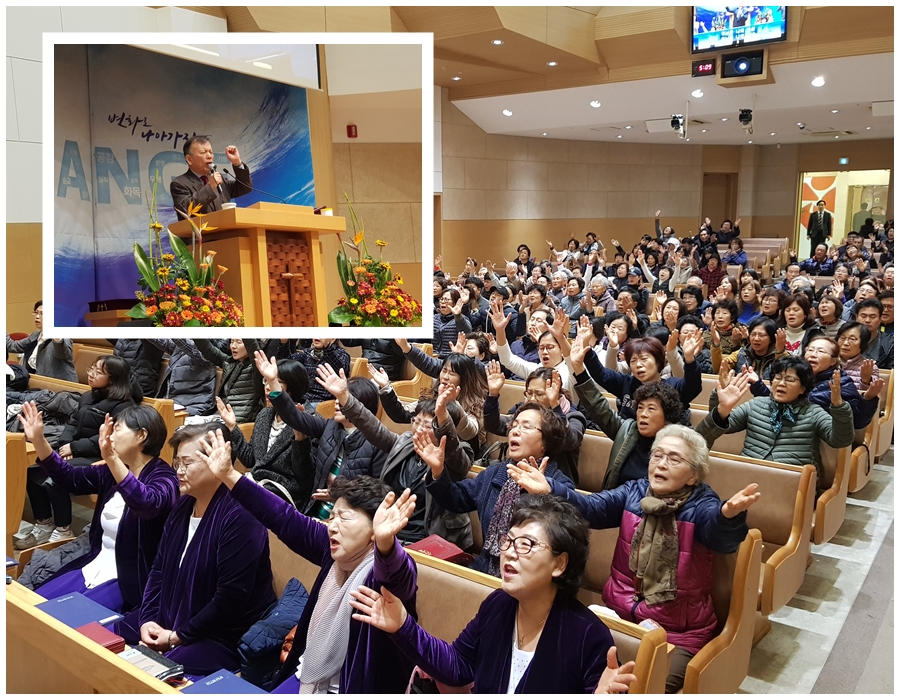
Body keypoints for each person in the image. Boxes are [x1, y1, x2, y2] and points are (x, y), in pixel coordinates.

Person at [507, 424, 758, 693]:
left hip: (676, 634)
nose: (661, 464)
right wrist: (551, 489)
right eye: (657, 455)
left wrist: (727, 517)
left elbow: (720, 536)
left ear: (693, 475)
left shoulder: (702, 505)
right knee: (561, 670)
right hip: (618, 617)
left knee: (640, 689)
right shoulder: (635, 492)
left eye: (674, 459)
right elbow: (592, 508)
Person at [200, 427, 420, 695]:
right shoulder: (332, 551)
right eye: (332, 516)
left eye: (345, 518)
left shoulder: (388, 570)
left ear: (376, 527)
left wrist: (386, 543)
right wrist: (229, 475)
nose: (332, 526)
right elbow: (284, 518)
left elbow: (397, 573)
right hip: (308, 676)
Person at [349, 494, 637, 694]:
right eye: (508, 541)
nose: (509, 553)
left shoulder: (588, 636)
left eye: (525, 544)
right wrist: (403, 625)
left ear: (559, 564)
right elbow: (458, 665)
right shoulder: (499, 605)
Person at [121, 422, 276, 677]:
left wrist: (175, 637)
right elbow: (159, 569)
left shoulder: (242, 513)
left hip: (221, 633)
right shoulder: (183, 505)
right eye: (177, 463)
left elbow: (230, 599)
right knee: (115, 633)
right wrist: (148, 619)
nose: (179, 471)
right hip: (174, 614)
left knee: (158, 668)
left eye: (187, 463)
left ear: (217, 461)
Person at [18, 404, 177, 634]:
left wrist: (111, 459)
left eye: (117, 430)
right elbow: (70, 478)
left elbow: (146, 503)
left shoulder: (165, 478)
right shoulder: (114, 469)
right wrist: (39, 440)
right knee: (28, 608)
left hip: (129, 581)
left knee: (62, 630)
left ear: (141, 435)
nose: (110, 437)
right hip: (93, 565)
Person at [316, 362, 474, 548]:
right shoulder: (405, 442)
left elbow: (457, 455)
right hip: (392, 528)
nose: (418, 429)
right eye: (416, 421)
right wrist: (345, 397)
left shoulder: (456, 454)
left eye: (427, 425)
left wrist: (442, 416)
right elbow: (373, 427)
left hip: (432, 538)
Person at [18, 355, 142, 548]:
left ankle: (63, 529)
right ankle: (44, 522)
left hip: (102, 457)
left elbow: (111, 437)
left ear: (113, 379)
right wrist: (66, 444)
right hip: (76, 451)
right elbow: (72, 423)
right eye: (92, 369)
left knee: (55, 480)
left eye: (98, 372)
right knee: (31, 473)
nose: (91, 374)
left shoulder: (124, 405)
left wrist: (74, 448)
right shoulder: (88, 396)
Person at [253, 351, 387, 516]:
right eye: (337, 397)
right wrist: (273, 382)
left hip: (350, 515)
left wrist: (343, 494)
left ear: (361, 406)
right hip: (314, 510)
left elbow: (379, 493)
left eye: (344, 398)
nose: (337, 402)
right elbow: (293, 416)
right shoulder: (329, 427)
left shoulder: (377, 442)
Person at [699, 357, 855, 488]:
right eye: (778, 377)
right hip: (748, 475)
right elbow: (723, 427)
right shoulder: (757, 404)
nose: (781, 383)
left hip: (792, 483)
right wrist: (721, 404)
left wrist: (839, 406)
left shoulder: (813, 412)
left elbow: (840, 440)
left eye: (790, 379)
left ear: (802, 388)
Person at [217, 358, 315, 508]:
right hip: (256, 485)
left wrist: (300, 438)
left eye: (275, 382)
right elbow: (250, 460)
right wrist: (232, 426)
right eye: (266, 381)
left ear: (293, 387)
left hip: (285, 496)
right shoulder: (265, 414)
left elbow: (303, 475)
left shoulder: (311, 420)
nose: (268, 388)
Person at [746, 336, 881, 431]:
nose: (813, 354)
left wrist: (868, 398)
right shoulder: (793, 376)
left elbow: (858, 422)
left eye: (821, 351)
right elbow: (776, 404)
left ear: (833, 361)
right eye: (810, 350)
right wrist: (757, 384)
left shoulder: (841, 383)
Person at [485, 363, 586, 486]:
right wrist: (493, 394)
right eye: (529, 393)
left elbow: (569, 442)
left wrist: (555, 404)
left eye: (539, 394)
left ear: (557, 393)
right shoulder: (523, 411)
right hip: (517, 475)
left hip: (555, 483)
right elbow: (493, 425)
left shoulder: (573, 416)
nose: (532, 399)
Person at [170, 136, 252, 219]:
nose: (209, 156)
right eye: (203, 152)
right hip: (201, 227)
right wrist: (210, 187)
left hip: (226, 226)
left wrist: (237, 163)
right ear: (189, 159)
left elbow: (245, 187)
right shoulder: (179, 184)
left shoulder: (219, 178)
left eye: (211, 152)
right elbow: (185, 210)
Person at [195, 338, 263, 424]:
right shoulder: (229, 363)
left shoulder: (257, 367)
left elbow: (253, 348)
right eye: (232, 342)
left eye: (239, 342)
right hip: (221, 417)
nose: (233, 346)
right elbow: (207, 349)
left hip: (240, 421)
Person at [6, 301, 77, 382]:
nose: (37, 316)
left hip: (58, 386)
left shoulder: (63, 335)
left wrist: (57, 337)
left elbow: (62, 353)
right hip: (35, 382)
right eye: (36, 313)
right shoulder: (36, 335)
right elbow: (12, 346)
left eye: (42, 314)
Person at [715, 316, 786, 380]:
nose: (756, 338)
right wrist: (716, 344)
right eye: (753, 334)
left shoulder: (781, 355)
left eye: (761, 335)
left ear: (771, 338)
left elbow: (785, 374)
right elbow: (719, 368)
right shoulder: (742, 353)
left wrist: (780, 352)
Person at [835, 322, 880, 392]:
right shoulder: (828, 362)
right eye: (842, 338)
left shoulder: (870, 367)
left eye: (852, 339)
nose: (845, 343)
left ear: (862, 344)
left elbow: (871, 396)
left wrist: (866, 381)